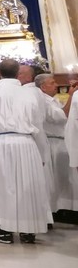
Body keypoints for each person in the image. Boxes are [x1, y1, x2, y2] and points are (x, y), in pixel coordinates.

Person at [0, 58, 53, 244]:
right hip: (28, 143)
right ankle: (28, 230)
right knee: (27, 186)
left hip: (1, 142)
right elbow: (38, 124)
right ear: (17, 74)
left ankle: (4, 231)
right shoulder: (30, 94)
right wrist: (42, 151)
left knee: (2, 186)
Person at [35, 74, 78, 213]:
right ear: (43, 87)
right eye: (52, 83)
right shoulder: (44, 101)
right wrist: (71, 96)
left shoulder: (52, 100)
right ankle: (59, 209)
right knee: (58, 178)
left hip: (61, 141)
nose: (56, 85)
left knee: (67, 177)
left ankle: (67, 208)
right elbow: (62, 116)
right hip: (53, 143)